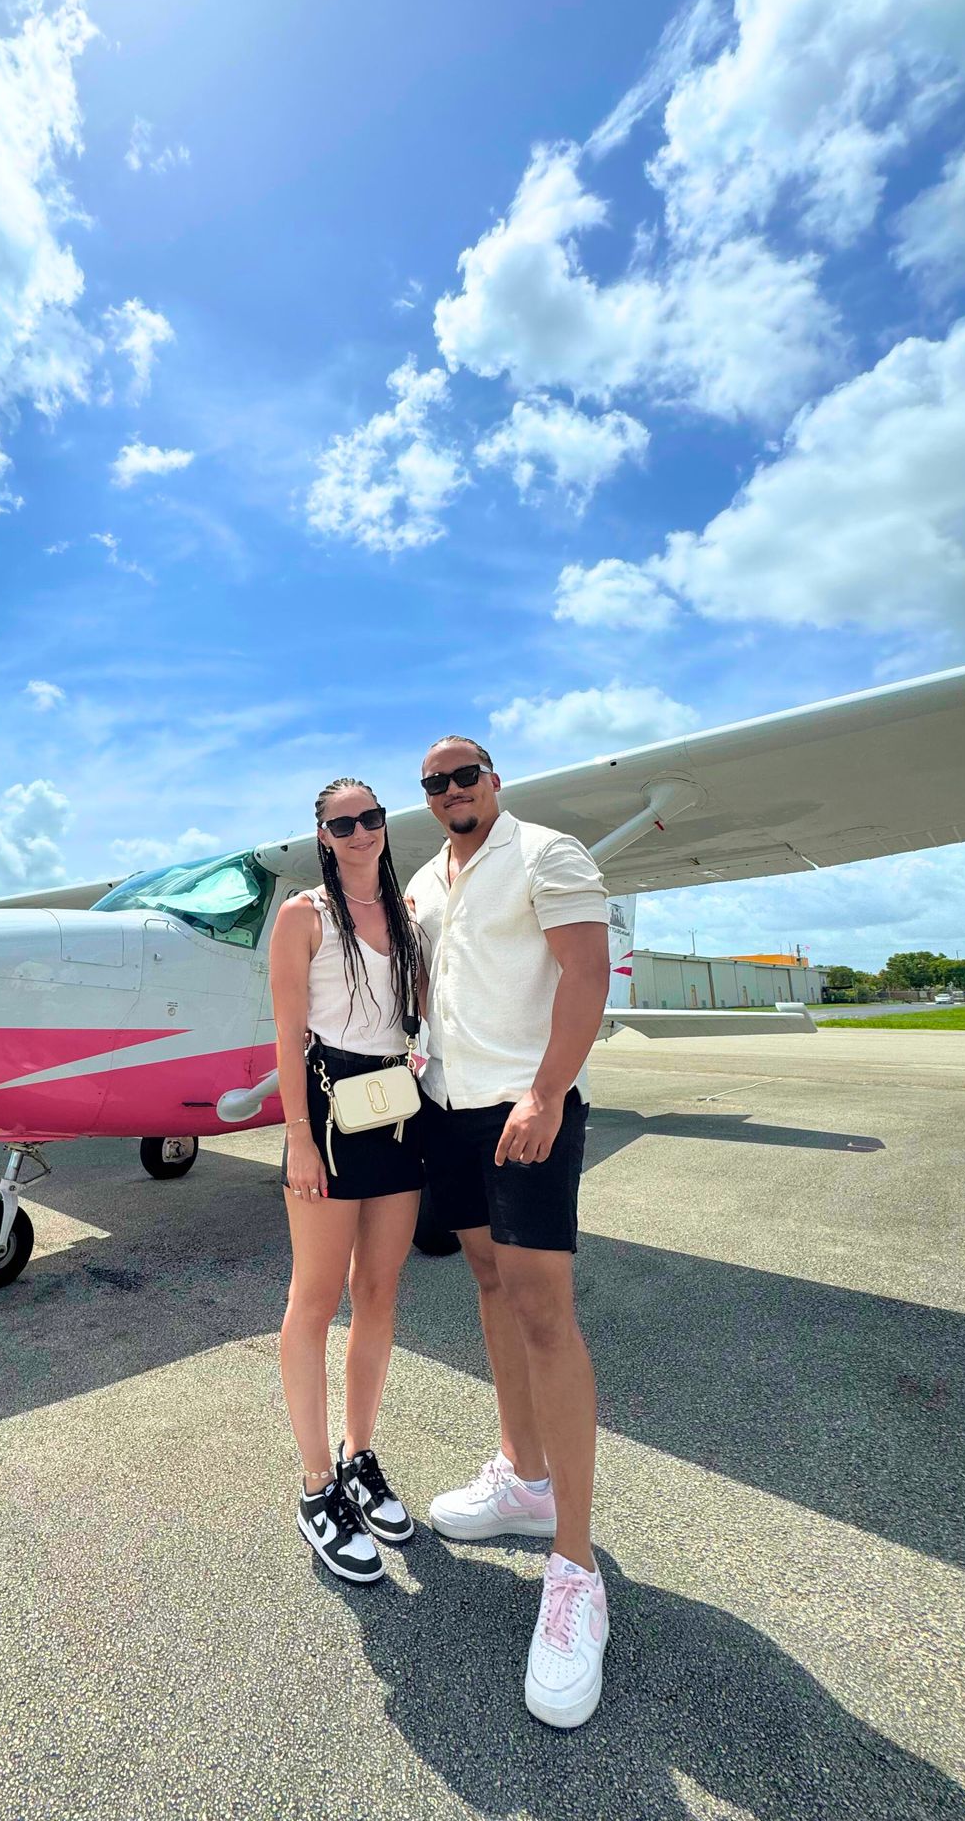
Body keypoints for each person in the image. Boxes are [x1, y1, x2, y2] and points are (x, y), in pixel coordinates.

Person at [405, 737, 612, 1729]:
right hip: (446, 1110)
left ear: (495, 782)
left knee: (544, 1317)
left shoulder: (550, 854)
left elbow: (584, 978)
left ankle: (574, 1567)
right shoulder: (422, 879)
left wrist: (544, 1093)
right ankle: (524, 1477)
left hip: (523, 1110)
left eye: (466, 776)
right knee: (488, 1287)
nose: (451, 791)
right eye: (435, 783)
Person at [268, 776, 426, 1584]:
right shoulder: (306, 917)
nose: (361, 831)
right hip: (328, 1115)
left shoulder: (408, 916)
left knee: (381, 1293)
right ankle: (315, 1488)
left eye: (371, 817)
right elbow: (288, 1034)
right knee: (315, 1297)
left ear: (384, 825)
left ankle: (358, 1455)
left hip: (397, 1109)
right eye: (343, 822)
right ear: (323, 834)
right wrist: (298, 1139)